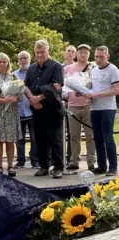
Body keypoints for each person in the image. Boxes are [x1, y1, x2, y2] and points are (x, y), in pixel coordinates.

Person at [25, 39, 65, 179]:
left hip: (53, 109)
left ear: (48, 51)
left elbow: (58, 85)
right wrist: (32, 99)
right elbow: (25, 86)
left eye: (42, 52)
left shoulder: (56, 66)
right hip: (37, 110)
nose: (40, 55)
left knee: (55, 140)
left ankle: (58, 167)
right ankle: (44, 166)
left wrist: (39, 98)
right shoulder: (31, 68)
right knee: (39, 139)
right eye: (37, 52)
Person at [85, 46, 119, 176]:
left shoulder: (113, 70)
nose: (98, 59)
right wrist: (85, 93)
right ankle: (101, 166)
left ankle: (113, 167)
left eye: (101, 56)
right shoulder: (93, 70)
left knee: (108, 138)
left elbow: (116, 90)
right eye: (96, 57)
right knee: (97, 138)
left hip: (107, 108)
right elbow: (90, 88)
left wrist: (97, 95)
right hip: (94, 108)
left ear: (107, 56)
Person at [63, 44, 96, 171]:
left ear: (89, 54)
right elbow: (65, 86)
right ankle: (74, 160)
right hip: (73, 104)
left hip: (89, 105)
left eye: (85, 52)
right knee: (74, 135)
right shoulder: (68, 68)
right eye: (81, 52)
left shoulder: (93, 68)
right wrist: (66, 95)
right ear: (76, 54)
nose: (83, 54)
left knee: (90, 135)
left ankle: (91, 161)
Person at [13, 51, 39, 169]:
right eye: (21, 58)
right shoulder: (13, 75)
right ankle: (20, 160)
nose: (23, 61)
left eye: (25, 58)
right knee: (19, 138)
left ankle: (35, 160)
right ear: (18, 61)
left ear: (30, 59)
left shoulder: (34, 73)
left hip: (32, 110)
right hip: (18, 110)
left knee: (35, 138)